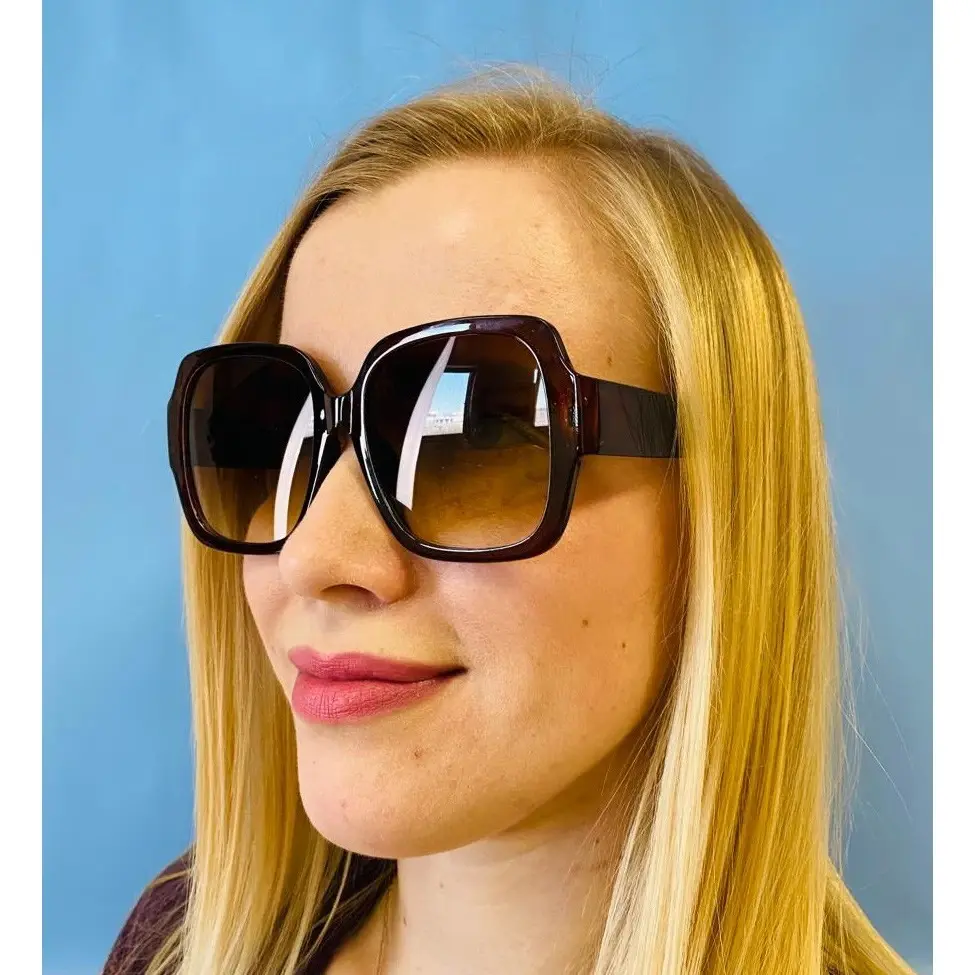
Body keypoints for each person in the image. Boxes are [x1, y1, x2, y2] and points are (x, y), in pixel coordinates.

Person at [103, 66, 914, 975]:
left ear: (717, 514)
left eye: (475, 436)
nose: (312, 555)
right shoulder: (173, 947)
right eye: (276, 429)